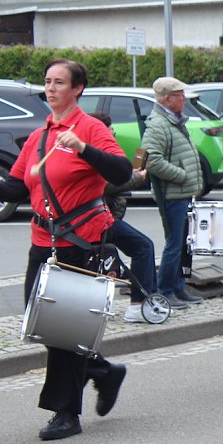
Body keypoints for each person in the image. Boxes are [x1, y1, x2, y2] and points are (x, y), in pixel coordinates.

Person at [0, 59, 131, 440]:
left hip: (80, 243)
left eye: (59, 82)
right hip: (43, 245)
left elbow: (121, 172)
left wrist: (84, 148)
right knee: (43, 326)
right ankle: (103, 371)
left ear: (78, 88)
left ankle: (65, 413)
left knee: (64, 330)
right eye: (47, 82)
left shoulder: (90, 128)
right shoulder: (40, 137)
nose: (51, 88)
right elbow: (16, 190)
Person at [89, 113, 164, 323]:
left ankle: (149, 299)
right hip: (99, 220)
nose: (112, 134)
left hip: (105, 217)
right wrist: (135, 178)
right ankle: (138, 305)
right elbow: (104, 186)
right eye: (109, 130)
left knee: (142, 248)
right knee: (143, 247)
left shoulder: (98, 151)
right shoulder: (92, 153)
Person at [141, 77, 205, 310]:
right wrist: (181, 175)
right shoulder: (159, 124)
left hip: (182, 193)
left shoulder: (172, 121)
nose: (184, 99)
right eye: (180, 95)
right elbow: (151, 159)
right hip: (173, 195)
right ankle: (166, 290)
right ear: (168, 99)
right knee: (174, 244)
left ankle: (177, 287)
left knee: (182, 244)